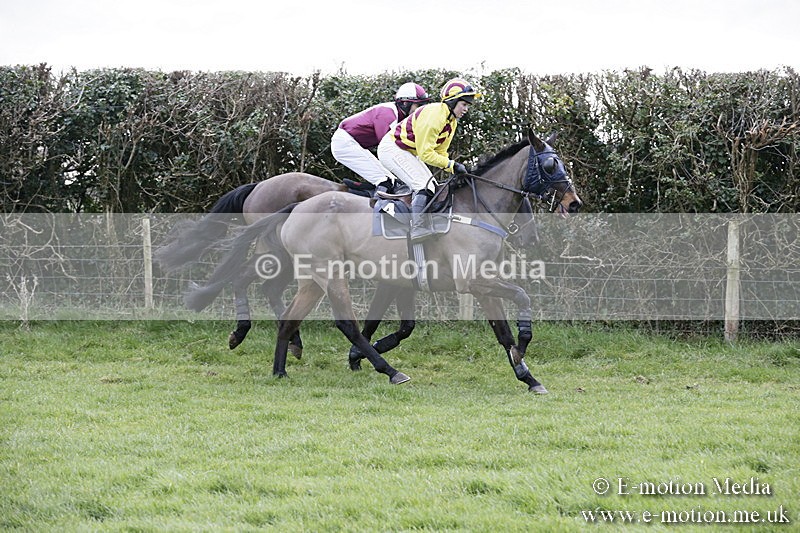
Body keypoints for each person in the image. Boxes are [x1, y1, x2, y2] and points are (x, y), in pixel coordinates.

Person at [378, 78, 481, 241]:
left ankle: (426, 224)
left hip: (406, 151)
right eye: (464, 104)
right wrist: (452, 165)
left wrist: (453, 168)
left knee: (432, 186)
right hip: (392, 148)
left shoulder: (451, 121)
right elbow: (426, 154)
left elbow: (440, 152)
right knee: (422, 185)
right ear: (453, 101)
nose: (466, 109)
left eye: (467, 106)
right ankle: (417, 228)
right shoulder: (435, 115)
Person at [330, 83, 432, 197]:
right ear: (405, 103)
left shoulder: (401, 116)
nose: (422, 111)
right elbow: (391, 149)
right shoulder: (389, 114)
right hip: (344, 143)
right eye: (419, 106)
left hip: (354, 143)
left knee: (394, 181)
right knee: (385, 181)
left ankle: (362, 192)